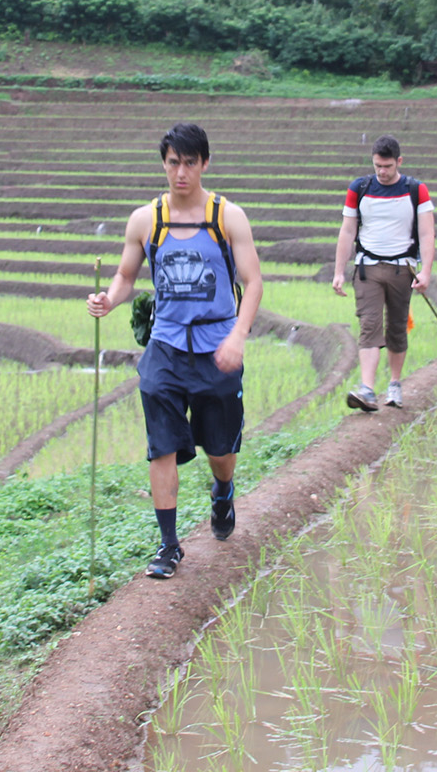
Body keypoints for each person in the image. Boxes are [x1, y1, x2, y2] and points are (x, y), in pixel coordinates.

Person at [88, 123, 263, 580]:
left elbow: (253, 281)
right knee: (161, 446)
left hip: (217, 347)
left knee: (220, 448)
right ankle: (169, 546)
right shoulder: (146, 219)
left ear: (204, 163)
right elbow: (126, 276)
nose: (180, 172)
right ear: (163, 164)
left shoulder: (228, 217)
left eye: (189, 162)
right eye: (173, 163)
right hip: (164, 346)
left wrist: (238, 336)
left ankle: (222, 489)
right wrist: (109, 298)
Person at [332, 134, 434, 411]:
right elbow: (348, 230)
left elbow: (426, 233)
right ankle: (367, 389)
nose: (382, 171)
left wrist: (425, 271)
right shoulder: (359, 188)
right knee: (369, 325)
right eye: (378, 165)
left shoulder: (416, 189)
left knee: (397, 329)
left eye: (388, 166)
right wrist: (339, 271)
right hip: (368, 269)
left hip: (403, 269)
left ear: (398, 162)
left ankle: (395, 383)